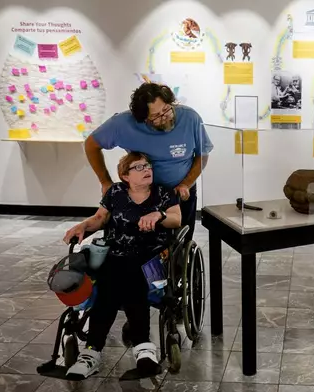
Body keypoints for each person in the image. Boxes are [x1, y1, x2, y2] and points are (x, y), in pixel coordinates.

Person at [63, 152, 182, 380]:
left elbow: (176, 219)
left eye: (147, 165)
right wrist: (83, 226)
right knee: (113, 277)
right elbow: (100, 218)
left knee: (125, 276)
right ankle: (136, 348)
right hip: (116, 255)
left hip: (152, 258)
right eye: (138, 167)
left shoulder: (163, 193)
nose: (146, 169)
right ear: (125, 176)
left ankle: (94, 350)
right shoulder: (115, 192)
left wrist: (159, 214)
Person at [84, 82, 213, 245]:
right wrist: (105, 182)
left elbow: (203, 154)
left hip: (181, 192)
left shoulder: (190, 118)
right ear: (143, 119)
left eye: (166, 109)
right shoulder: (122, 124)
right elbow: (91, 145)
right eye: (156, 116)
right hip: (142, 194)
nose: (164, 117)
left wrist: (186, 184)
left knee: (180, 244)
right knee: (142, 243)